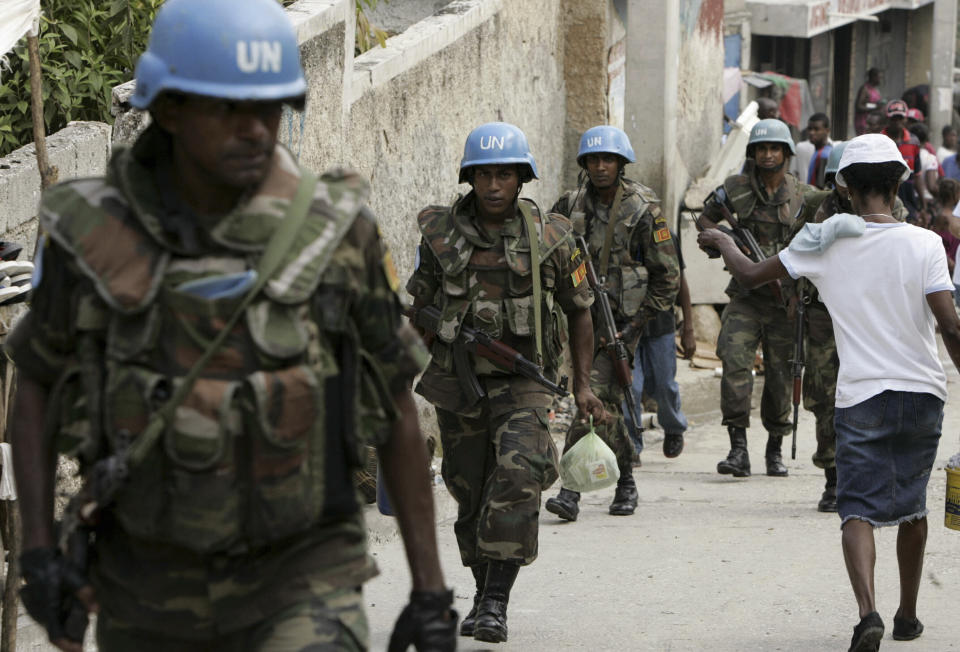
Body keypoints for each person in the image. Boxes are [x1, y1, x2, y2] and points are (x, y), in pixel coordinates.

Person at [6, 1, 458, 651]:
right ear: (168, 109)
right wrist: (41, 555)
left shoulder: (335, 233)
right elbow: (37, 389)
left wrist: (431, 592)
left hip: (303, 577)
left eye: (269, 108)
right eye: (228, 109)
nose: (255, 130)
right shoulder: (90, 233)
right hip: (145, 589)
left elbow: (395, 407)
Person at [698, 133, 960, 652]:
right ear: (898, 183)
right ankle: (907, 614)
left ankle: (869, 614)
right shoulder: (926, 243)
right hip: (922, 395)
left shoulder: (822, 243)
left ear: (843, 185)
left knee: (856, 510)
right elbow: (950, 328)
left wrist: (725, 243)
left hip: (861, 395)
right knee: (912, 507)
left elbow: (750, 276)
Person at [406, 122, 604, 644]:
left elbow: (580, 312)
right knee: (469, 495)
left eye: (505, 174)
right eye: (485, 174)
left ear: (522, 179)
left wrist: (582, 386)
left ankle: (496, 601)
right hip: (457, 382)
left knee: (516, 484)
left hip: (525, 383)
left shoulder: (551, 235)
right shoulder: (441, 235)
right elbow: (421, 312)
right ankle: (480, 590)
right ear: (470, 178)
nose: (494, 185)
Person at [542, 125, 680, 520]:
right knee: (611, 403)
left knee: (595, 394)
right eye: (594, 159)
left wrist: (636, 325)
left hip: (620, 322)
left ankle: (570, 491)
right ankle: (625, 481)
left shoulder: (643, 208)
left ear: (621, 163)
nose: (601, 166)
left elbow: (667, 275)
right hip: (577, 318)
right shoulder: (569, 206)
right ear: (584, 163)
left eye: (609, 159)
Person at [697, 119, 814, 479]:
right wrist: (719, 242)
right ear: (752, 154)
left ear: (786, 153)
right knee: (734, 364)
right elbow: (704, 221)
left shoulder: (804, 196)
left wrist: (802, 294)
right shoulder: (734, 189)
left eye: (774, 149)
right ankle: (738, 449)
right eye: (761, 149)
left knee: (781, 376)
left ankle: (774, 450)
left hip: (787, 302)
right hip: (746, 297)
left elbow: (817, 247)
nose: (767, 155)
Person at [629, 239, 694, 461]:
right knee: (631, 387)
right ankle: (631, 444)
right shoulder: (615, 228)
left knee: (664, 384)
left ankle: (674, 428)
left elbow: (680, 280)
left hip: (660, 324)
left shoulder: (663, 233)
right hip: (625, 325)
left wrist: (688, 327)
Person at [791, 113, 833, 189]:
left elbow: (819, 190)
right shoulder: (818, 152)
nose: (811, 132)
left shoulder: (823, 154)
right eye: (809, 129)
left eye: (816, 129)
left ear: (827, 131)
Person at [854, 68, 883, 135]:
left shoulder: (875, 89)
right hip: (864, 122)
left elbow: (872, 104)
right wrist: (875, 108)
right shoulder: (865, 89)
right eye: (879, 77)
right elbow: (859, 106)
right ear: (873, 77)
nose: (880, 80)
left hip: (873, 123)